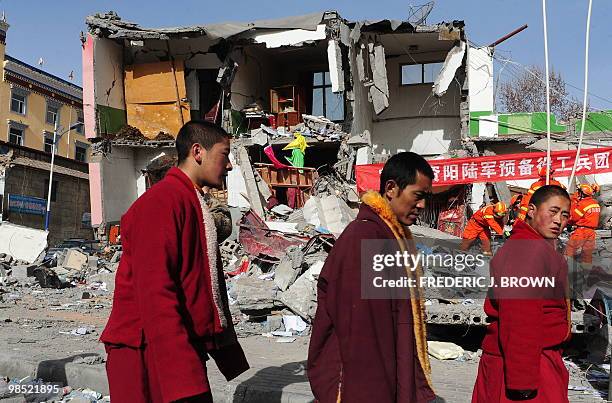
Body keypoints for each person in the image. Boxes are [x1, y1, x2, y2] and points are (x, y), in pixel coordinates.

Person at [100, 121, 249, 403]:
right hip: (149, 350)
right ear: (198, 152)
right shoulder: (161, 203)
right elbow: (156, 293)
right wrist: (183, 376)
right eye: (224, 154)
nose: (229, 165)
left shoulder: (189, 200)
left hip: (176, 345)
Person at [308, 152, 436, 403]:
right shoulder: (366, 239)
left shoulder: (389, 237)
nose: (422, 206)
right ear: (391, 188)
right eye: (418, 196)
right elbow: (363, 337)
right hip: (365, 386)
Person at [471, 185, 571, 403]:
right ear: (532, 210)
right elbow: (520, 317)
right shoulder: (526, 250)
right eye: (552, 211)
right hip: (523, 365)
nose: (558, 221)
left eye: (564, 215)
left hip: (536, 359)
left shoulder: (535, 246)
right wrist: (522, 381)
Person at [566, 184, 601, 264]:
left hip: (582, 231)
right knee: (587, 255)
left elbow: (574, 217)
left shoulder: (582, 204)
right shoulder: (595, 203)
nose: (577, 193)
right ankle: (586, 273)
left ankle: (567, 270)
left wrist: (567, 222)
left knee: (569, 251)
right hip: (591, 232)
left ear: (582, 193)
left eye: (579, 192)